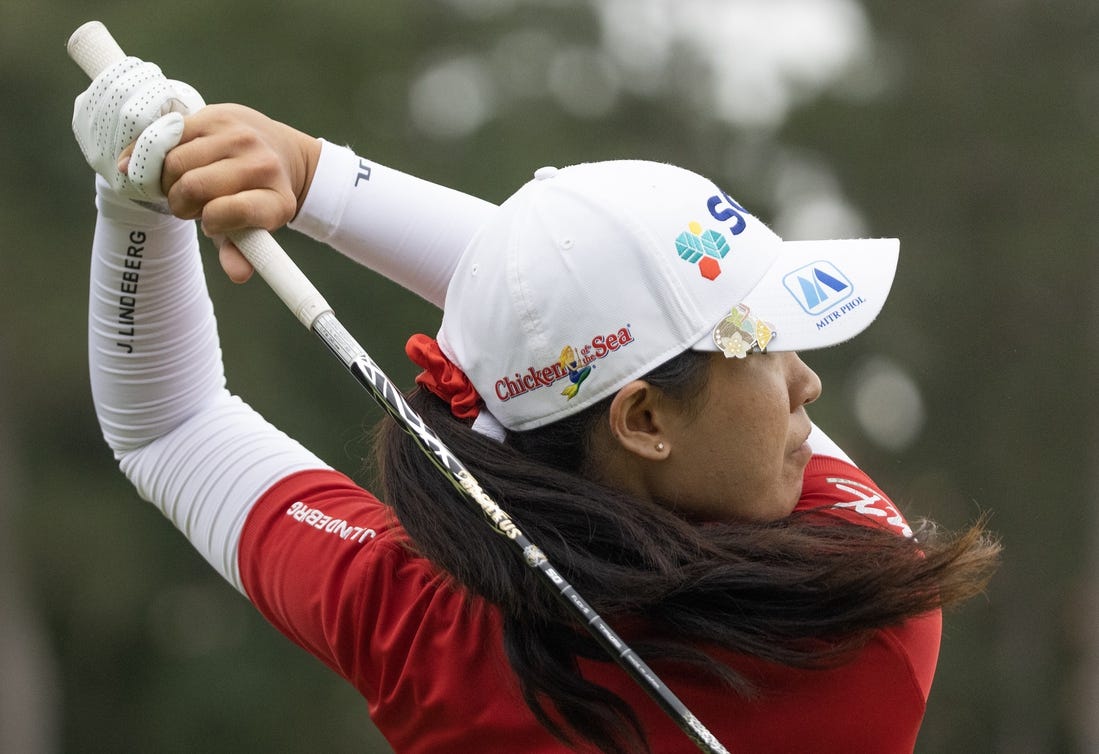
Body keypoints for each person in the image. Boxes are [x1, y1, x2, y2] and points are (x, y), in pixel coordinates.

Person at [72, 57, 999, 754]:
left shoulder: (435, 642)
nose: (806, 383)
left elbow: (169, 426)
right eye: (755, 343)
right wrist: (313, 178)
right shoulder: (869, 598)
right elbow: (561, 309)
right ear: (642, 421)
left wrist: (133, 203)